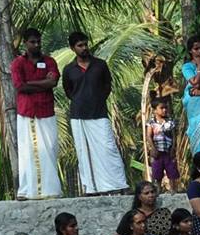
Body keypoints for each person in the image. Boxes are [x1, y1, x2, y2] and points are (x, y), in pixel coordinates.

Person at [60, 31, 127, 194]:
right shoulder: (69, 69)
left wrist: (96, 99)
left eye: (85, 44)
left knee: (108, 148)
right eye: (79, 46)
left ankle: (119, 185)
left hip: (99, 113)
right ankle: (91, 188)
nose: (84, 48)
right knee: (84, 152)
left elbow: (107, 86)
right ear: (72, 48)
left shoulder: (100, 65)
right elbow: (68, 91)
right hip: (78, 115)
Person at [8, 27, 63, 198]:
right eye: (32, 42)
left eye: (38, 41)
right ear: (25, 43)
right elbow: (20, 86)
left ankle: (51, 190)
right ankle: (28, 191)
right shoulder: (18, 63)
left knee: (50, 149)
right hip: (28, 113)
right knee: (29, 151)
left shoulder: (49, 61)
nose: (36, 44)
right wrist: (42, 82)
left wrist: (32, 83)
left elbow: (53, 82)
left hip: (46, 111)